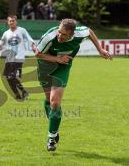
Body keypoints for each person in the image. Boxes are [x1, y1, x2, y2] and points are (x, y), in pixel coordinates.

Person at [32, 18, 112, 151]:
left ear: (72, 34)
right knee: (48, 100)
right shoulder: (50, 37)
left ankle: (51, 138)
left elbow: (90, 32)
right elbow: (37, 53)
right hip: (45, 66)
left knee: (55, 102)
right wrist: (56, 58)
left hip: (63, 66)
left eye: (64, 34)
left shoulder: (80, 33)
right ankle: (55, 129)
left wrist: (100, 50)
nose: (59, 36)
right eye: (59, 32)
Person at [0, 15, 35, 99]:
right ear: (8, 22)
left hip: (19, 58)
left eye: (13, 21)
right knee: (8, 78)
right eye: (10, 21)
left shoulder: (22, 30)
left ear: (16, 21)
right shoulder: (6, 33)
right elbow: (1, 43)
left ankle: (23, 92)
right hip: (9, 59)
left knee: (12, 76)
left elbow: (29, 38)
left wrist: (33, 45)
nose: (11, 22)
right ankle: (18, 94)